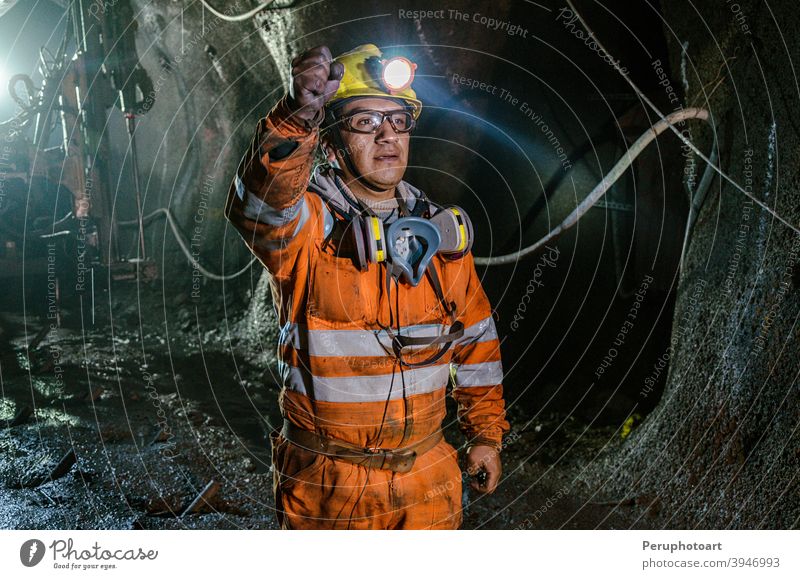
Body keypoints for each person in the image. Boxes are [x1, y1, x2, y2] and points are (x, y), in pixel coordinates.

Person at [225, 43, 510, 530]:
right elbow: (259, 205)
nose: (387, 136)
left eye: (398, 121)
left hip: (428, 482)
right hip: (329, 488)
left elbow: (477, 343)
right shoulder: (310, 229)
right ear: (333, 142)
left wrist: (485, 435)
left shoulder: (440, 237)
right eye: (365, 122)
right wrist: (297, 118)